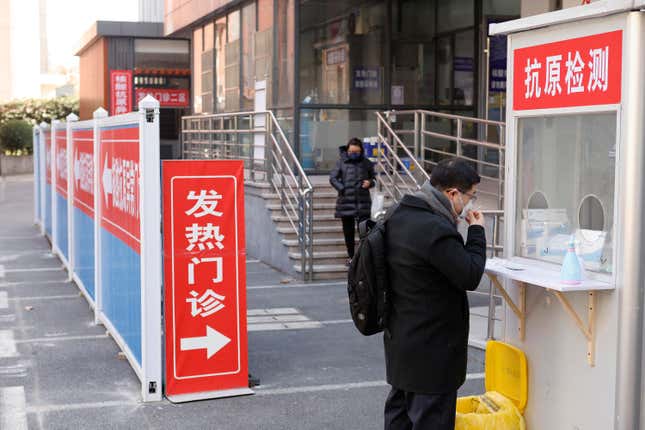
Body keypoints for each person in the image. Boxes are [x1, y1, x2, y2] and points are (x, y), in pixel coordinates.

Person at [383, 158, 487, 430]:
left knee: (400, 419)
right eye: (470, 197)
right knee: (432, 421)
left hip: (402, 341)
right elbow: (470, 274)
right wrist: (476, 231)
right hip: (432, 352)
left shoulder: (399, 213)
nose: (470, 205)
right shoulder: (435, 229)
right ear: (452, 193)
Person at [329, 138, 376, 264]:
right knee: (348, 232)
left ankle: (363, 257)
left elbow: (374, 178)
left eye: (356, 151)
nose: (353, 154)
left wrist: (370, 183)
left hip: (363, 202)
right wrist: (342, 188)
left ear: (361, 151)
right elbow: (333, 178)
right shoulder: (341, 162)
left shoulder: (367, 163)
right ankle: (351, 257)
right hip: (346, 202)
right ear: (347, 150)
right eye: (351, 151)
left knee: (364, 232)